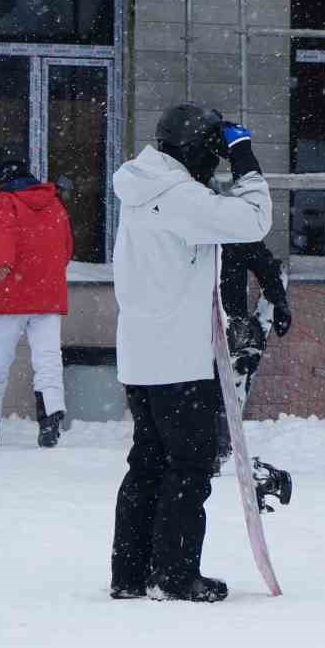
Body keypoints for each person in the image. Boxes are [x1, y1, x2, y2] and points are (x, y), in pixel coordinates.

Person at [109, 104, 271, 602]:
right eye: (212, 155)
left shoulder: (142, 186)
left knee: (148, 463)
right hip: (179, 358)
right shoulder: (178, 197)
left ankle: (131, 573)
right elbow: (255, 220)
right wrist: (244, 155)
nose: (214, 166)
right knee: (190, 466)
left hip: (141, 354)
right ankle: (175, 575)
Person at [0, 145, 74, 448]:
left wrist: (3, 267)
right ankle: (50, 418)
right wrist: (47, 274)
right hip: (48, 293)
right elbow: (66, 248)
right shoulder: (53, 201)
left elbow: (4, 237)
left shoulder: (3, 201)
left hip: (14, 290)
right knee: (48, 359)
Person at [215, 239, 293, 465]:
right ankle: (211, 448)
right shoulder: (194, 229)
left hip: (229, 326)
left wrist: (279, 303)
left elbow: (263, 263)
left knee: (224, 387)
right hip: (197, 326)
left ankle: (218, 448)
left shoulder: (231, 232)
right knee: (210, 390)